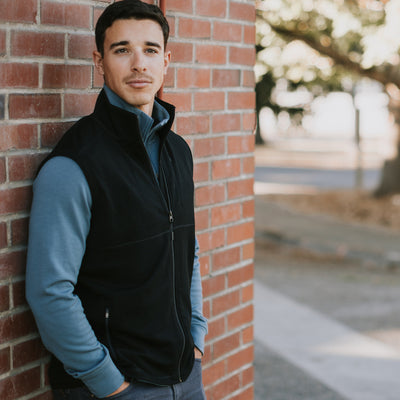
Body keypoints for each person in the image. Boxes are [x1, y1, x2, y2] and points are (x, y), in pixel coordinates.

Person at [25, 1, 208, 399]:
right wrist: (109, 382)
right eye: (122, 50)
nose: (139, 64)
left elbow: (187, 250)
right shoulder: (74, 164)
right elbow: (49, 291)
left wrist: (196, 338)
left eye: (150, 50)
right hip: (116, 387)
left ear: (166, 61)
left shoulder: (178, 152)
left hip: (186, 376)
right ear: (100, 61)